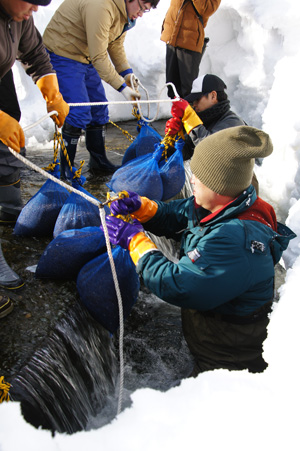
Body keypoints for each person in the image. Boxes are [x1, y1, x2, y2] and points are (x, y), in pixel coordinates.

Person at [104, 125, 295, 376]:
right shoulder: (225, 203)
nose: (191, 179)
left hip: (228, 360)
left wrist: (135, 241)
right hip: (213, 338)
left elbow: (179, 284)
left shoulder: (236, 239)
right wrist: (144, 208)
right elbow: (178, 215)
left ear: (219, 185)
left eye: (197, 176)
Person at [0, 0, 69, 318]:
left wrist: (50, 88)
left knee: (10, 150)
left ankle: (9, 208)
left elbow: (35, 53)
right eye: (31, 1)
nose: (35, 9)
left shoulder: (18, 15)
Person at [42, 0, 159, 178]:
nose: (141, 14)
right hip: (63, 53)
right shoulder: (102, 7)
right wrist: (121, 86)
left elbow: (114, 45)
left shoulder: (124, 14)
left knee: (99, 109)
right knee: (78, 112)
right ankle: (66, 168)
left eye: (146, 11)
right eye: (141, 7)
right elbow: (99, 56)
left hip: (85, 55)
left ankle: (98, 161)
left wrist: (127, 74)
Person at [165, 73, 260, 194]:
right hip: (218, 191)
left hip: (241, 195)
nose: (194, 105)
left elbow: (211, 149)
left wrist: (190, 121)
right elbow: (185, 152)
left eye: (197, 99)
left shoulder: (233, 123)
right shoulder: (204, 122)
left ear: (213, 96)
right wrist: (174, 137)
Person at [161, 0, 221, 99]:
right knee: (172, 86)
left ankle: (189, 113)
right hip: (171, 35)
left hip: (190, 40)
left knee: (188, 89)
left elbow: (207, 9)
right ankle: (178, 113)